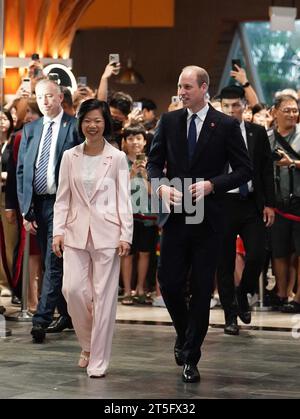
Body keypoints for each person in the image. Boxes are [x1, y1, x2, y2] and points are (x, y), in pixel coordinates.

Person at [147, 65, 252, 383]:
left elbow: (244, 170)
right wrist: (160, 186)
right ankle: (185, 333)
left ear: (204, 88)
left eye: (187, 86)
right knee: (169, 282)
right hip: (177, 213)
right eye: (179, 86)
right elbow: (153, 163)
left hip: (210, 217)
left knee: (203, 288)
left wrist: (212, 185)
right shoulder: (169, 121)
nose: (181, 92)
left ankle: (191, 357)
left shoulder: (226, 125)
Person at [52, 99, 133, 378]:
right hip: (74, 232)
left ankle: (98, 360)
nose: (92, 125)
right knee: (72, 290)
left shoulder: (118, 157)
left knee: (105, 298)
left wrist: (126, 234)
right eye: (87, 120)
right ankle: (87, 344)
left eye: (97, 120)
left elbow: (124, 199)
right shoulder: (69, 156)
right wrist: (58, 231)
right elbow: (62, 198)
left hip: (108, 234)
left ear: (105, 123)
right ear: (81, 123)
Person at [17, 79, 81, 343]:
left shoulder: (74, 126)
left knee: (54, 262)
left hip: (62, 202)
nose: (45, 101)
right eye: (40, 97)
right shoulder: (31, 129)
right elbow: (23, 171)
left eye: (49, 96)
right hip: (38, 204)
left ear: (60, 97)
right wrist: (25, 210)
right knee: (50, 261)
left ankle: (40, 320)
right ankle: (66, 314)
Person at [216, 85, 275, 336]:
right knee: (224, 262)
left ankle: (243, 294)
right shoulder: (213, 133)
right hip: (222, 204)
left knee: (257, 255)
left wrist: (270, 203)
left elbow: (265, 170)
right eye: (226, 106)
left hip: (251, 202)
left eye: (235, 105)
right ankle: (230, 316)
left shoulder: (257, 132)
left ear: (244, 106)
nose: (231, 111)